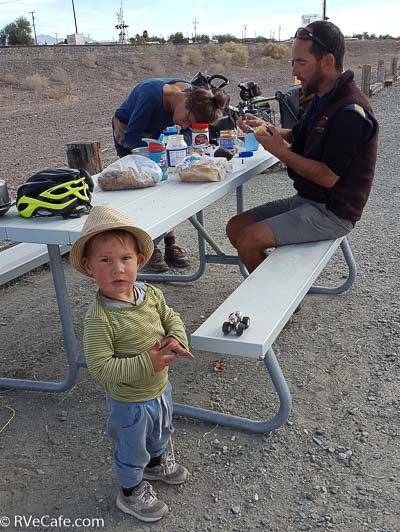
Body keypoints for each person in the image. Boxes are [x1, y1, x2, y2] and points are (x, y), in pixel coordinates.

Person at [70, 205, 193, 523]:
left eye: (125, 259)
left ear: (139, 260)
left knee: (161, 431)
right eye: (105, 261)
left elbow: (170, 317)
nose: (117, 269)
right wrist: (147, 361)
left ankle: (155, 464)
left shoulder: (149, 293)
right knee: (131, 447)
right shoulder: (100, 318)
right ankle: (130, 490)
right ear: (88, 266)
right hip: (129, 401)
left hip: (159, 387)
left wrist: (177, 338)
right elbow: (100, 369)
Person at [227, 21, 379, 274]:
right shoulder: (323, 96)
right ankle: (278, 286)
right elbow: (298, 134)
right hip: (309, 200)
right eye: (293, 63)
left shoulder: (349, 111)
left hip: (333, 213)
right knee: (236, 226)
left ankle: (278, 304)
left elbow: (328, 176)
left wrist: (281, 152)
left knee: (248, 239)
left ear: (327, 61)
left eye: (301, 63)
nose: (296, 72)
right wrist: (265, 128)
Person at [113, 77, 227, 273]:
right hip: (128, 130)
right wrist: (156, 158)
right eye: (187, 120)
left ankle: (170, 244)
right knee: (146, 189)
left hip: (158, 132)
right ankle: (150, 247)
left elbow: (186, 135)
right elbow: (132, 135)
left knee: (167, 186)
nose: (184, 126)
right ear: (185, 103)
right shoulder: (150, 95)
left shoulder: (191, 94)